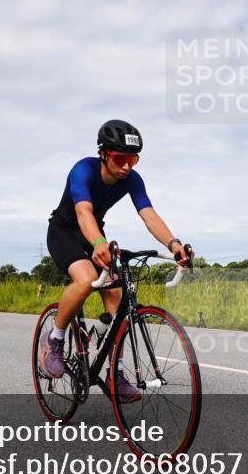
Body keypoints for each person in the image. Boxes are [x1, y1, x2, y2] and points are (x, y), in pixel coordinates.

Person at [41, 120, 191, 403]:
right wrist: (98, 243)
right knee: (86, 279)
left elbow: (148, 215)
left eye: (132, 159)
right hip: (66, 231)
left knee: (114, 292)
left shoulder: (132, 179)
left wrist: (173, 245)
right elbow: (84, 212)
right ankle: (55, 340)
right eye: (120, 159)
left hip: (95, 232)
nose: (126, 166)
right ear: (103, 154)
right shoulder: (83, 170)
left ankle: (116, 375)